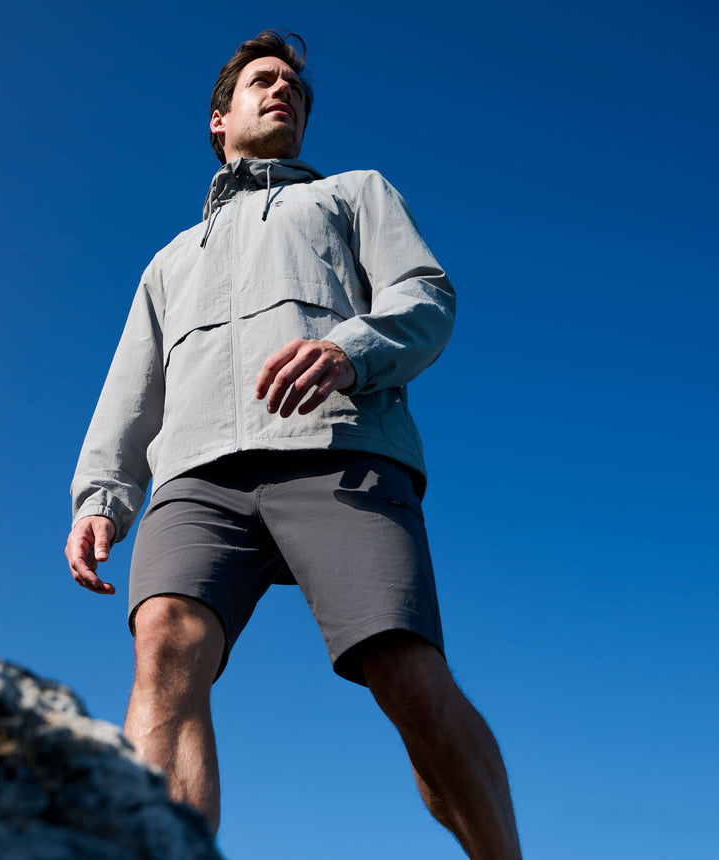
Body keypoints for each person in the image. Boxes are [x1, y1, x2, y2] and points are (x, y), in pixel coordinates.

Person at [66, 30, 522, 859]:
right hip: (197, 476)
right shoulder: (170, 260)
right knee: (164, 642)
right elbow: (131, 390)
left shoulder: (352, 195)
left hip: (340, 448)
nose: (284, 92)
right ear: (219, 118)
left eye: (296, 90)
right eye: (263, 81)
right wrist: (102, 497)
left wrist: (352, 349)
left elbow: (427, 299)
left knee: (407, 677)